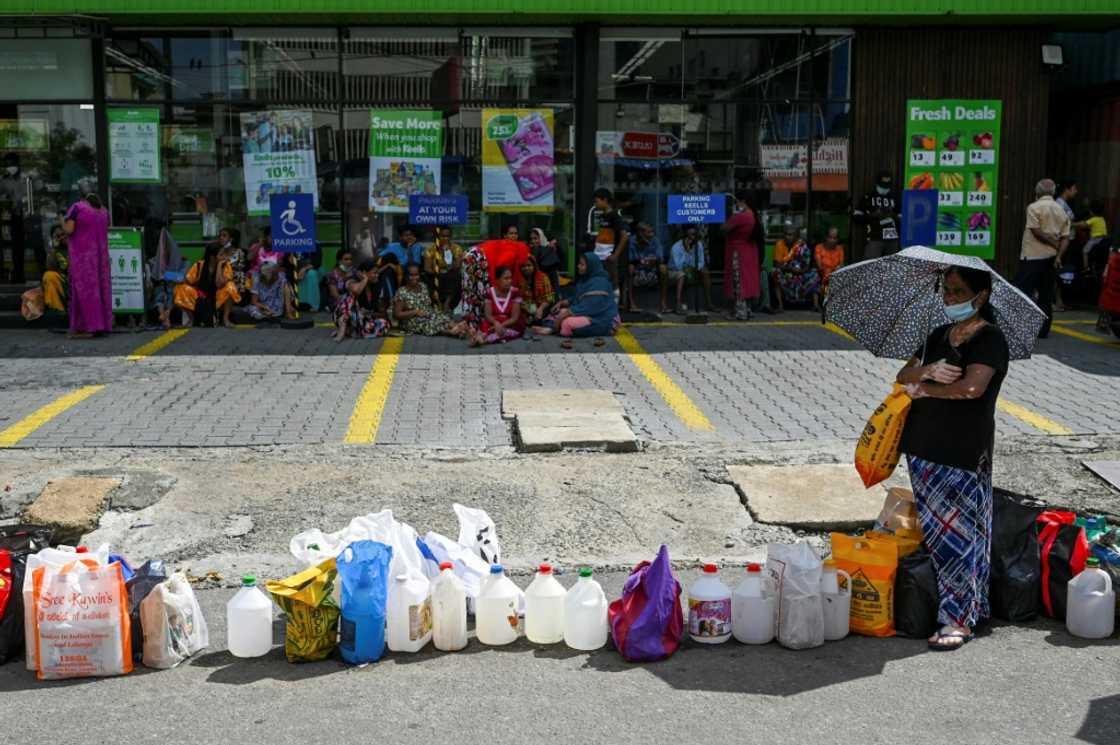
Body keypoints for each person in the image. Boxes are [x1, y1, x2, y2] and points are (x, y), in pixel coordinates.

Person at [896, 266, 1009, 651]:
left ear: (982, 297)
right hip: (923, 448)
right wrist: (926, 370)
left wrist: (925, 390)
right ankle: (970, 608)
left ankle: (958, 619)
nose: (950, 298)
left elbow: (973, 388)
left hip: (961, 450)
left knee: (961, 540)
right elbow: (903, 373)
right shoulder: (937, 336)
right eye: (946, 290)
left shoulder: (990, 339)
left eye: (959, 291)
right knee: (943, 536)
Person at [1015, 178, 1070, 339]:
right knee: (1046, 295)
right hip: (1051, 258)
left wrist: (1053, 243)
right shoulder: (1062, 210)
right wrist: (1058, 254)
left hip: (1032, 256)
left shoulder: (1033, 207)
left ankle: (1020, 328)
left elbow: (1035, 231)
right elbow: (1065, 238)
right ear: (1053, 192)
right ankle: (1043, 330)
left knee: (1024, 293)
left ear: (1037, 192)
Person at [532, 253, 620, 345]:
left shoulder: (599, 283)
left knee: (567, 324)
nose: (578, 266)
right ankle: (551, 328)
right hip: (588, 314)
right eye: (579, 264)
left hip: (604, 319)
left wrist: (563, 317)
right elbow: (577, 298)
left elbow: (589, 306)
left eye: (582, 265)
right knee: (556, 312)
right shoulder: (585, 280)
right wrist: (562, 303)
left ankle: (552, 329)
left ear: (591, 266)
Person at [63, 193, 113, 338]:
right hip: (101, 258)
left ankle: (86, 327)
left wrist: (62, 220)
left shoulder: (77, 208)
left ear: (82, 199)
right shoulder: (104, 212)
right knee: (101, 290)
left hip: (83, 258)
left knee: (84, 291)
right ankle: (102, 325)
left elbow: (69, 230)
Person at [176, 243, 242, 327]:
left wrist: (219, 265)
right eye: (221, 254)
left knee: (230, 286)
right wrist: (180, 280)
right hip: (201, 296)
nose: (225, 256)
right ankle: (191, 319)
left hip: (217, 296)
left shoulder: (225, 265)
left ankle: (226, 319)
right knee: (180, 289)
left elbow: (219, 284)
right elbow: (189, 281)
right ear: (212, 257)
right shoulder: (199, 265)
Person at [722, 192, 764, 320]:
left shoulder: (741, 216)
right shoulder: (754, 215)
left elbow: (723, 228)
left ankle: (740, 312)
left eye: (737, 202)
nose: (736, 204)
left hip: (738, 253)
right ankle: (748, 309)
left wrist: (731, 215)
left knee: (738, 281)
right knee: (748, 281)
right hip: (750, 252)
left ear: (743, 201)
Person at [394, 263, 466, 337]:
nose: (414, 278)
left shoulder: (423, 286)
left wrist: (429, 313)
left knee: (441, 316)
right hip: (411, 319)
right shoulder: (402, 292)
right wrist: (415, 312)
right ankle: (451, 332)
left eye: (416, 275)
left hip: (426, 313)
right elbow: (397, 314)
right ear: (406, 276)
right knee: (429, 323)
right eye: (411, 275)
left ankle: (456, 328)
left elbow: (428, 306)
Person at [332, 258, 390, 342]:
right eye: (374, 273)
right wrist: (365, 279)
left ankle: (350, 331)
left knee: (384, 324)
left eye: (378, 273)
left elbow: (382, 313)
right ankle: (343, 327)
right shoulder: (351, 280)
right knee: (350, 297)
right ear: (364, 273)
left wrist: (368, 313)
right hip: (344, 315)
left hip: (362, 319)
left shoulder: (377, 285)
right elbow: (356, 291)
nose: (377, 275)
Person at [770, 225, 820, 312]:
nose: (787, 237)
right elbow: (777, 264)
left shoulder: (802, 246)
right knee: (775, 272)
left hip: (801, 274)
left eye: (790, 235)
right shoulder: (779, 244)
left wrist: (800, 271)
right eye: (786, 234)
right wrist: (790, 269)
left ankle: (816, 305)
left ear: (796, 236)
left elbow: (807, 265)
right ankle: (780, 305)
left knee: (815, 273)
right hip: (786, 273)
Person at [470, 265, 524, 346]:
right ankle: (480, 337)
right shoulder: (489, 293)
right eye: (506, 278)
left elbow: (514, 318)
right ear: (497, 280)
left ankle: (483, 340)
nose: (509, 281)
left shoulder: (515, 292)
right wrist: (496, 323)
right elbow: (488, 315)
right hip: (493, 322)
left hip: (510, 323)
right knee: (485, 326)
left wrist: (501, 325)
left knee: (504, 331)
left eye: (510, 278)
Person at [853, 170, 900, 259]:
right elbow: (856, 217)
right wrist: (873, 215)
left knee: (892, 267)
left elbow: (903, 217)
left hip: (892, 239)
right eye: (883, 185)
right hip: (875, 237)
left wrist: (892, 215)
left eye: (887, 185)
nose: (885, 188)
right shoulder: (869, 197)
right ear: (877, 183)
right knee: (870, 264)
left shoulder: (894, 197)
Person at [590, 187, 629, 291]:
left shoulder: (614, 216)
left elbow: (624, 236)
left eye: (596, 201)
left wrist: (615, 255)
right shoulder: (602, 215)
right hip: (599, 255)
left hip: (608, 256)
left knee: (612, 283)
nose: (595, 204)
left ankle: (614, 304)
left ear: (605, 200)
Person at [667, 224, 712, 314]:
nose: (693, 237)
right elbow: (678, 266)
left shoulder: (698, 244)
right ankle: (678, 304)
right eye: (691, 235)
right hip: (676, 271)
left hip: (692, 270)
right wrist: (687, 250)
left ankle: (709, 303)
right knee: (682, 274)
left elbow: (701, 262)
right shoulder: (676, 247)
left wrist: (694, 268)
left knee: (705, 272)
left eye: (695, 234)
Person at [627, 222, 669, 314]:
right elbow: (631, 259)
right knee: (630, 268)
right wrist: (641, 260)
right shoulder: (632, 241)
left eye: (652, 232)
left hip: (651, 270)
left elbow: (660, 257)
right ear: (640, 233)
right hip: (638, 271)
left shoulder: (655, 241)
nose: (651, 235)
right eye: (649, 232)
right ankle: (631, 303)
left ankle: (663, 303)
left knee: (663, 268)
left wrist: (653, 260)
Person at [0, 153, 29, 283]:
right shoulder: (4, 180)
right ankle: (14, 275)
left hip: (26, 215)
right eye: (6, 165)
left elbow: (34, 194)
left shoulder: (25, 178)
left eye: (11, 164)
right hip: (11, 216)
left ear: (17, 164)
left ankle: (21, 274)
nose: (9, 167)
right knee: (14, 245)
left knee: (25, 245)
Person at [423, 225, 463, 311]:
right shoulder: (430, 250)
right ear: (437, 237)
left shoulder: (456, 248)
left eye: (447, 236)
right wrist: (436, 271)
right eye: (443, 236)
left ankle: (447, 303)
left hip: (451, 275)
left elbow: (457, 265)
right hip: (436, 275)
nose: (445, 239)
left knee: (455, 276)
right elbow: (427, 268)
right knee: (430, 279)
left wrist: (447, 253)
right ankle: (437, 303)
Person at [516, 254, 556, 325]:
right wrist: (525, 308)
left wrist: (540, 309)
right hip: (525, 308)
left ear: (534, 266)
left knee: (540, 318)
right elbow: (517, 298)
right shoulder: (518, 279)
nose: (526, 268)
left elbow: (549, 298)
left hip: (542, 306)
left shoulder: (543, 277)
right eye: (523, 266)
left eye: (529, 265)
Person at [459, 246, 491, 332]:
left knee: (476, 299)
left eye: (470, 262)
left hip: (477, 293)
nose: (467, 265)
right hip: (472, 293)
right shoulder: (468, 267)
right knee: (470, 299)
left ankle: (474, 324)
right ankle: (471, 324)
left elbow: (483, 287)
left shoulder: (481, 269)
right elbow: (466, 286)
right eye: (466, 262)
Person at [1076, 199, 1109, 273]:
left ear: (1091, 211)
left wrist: (1073, 224)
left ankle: (1086, 268)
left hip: (1095, 239)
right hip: (1103, 239)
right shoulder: (1102, 219)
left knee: (1084, 251)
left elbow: (1083, 224)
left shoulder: (1093, 219)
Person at [41, 225, 69, 313]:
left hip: (78, 282)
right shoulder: (56, 250)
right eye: (58, 236)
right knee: (48, 275)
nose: (61, 237)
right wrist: (54, 248)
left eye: (63, 234)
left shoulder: (77, 246)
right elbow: (49, 267)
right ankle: (57, 307)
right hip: (63, 282)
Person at [814, 226, 846, 301]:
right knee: (815, 275)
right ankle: (818, 303)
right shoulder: (819, 247)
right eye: (830, 237)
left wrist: (838, 269)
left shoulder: (840, 249)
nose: (832, 240)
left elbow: (841, 264)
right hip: (822, 274)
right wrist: (828, 272)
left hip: (835, 275)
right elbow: (819, 266)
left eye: (834, 238)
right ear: (826, 237)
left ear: (837, 239)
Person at [529, 227, 562, 295]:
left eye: (535, 238)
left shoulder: (550, 250)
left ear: (541, 238)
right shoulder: (530, 250)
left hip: (548, 286)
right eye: (531, 239)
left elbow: (553, 276)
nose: (533, 241)